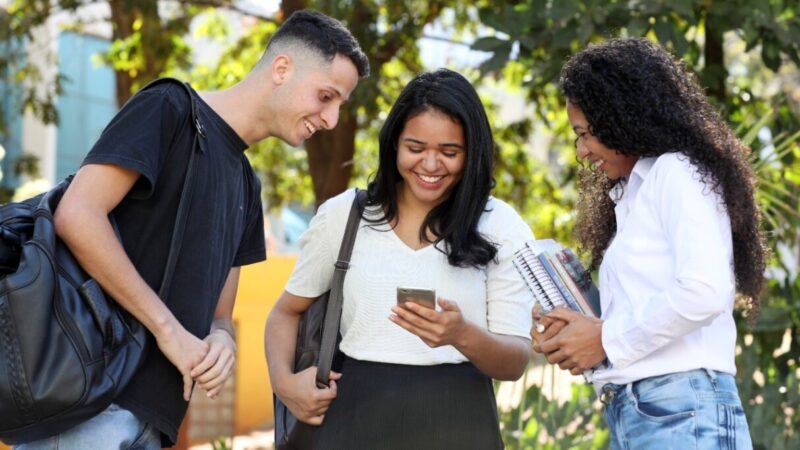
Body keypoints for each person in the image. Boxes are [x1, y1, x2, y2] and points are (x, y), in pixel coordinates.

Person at [16, 10, 369, 450]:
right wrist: (170, 332)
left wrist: (222, 341)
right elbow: (78, 213)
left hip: (155, 419)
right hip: (87, 407)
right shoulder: (170, 108)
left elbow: (220, 314)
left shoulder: (246, 184)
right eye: (326, 96)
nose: (332, 119)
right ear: (282, 68)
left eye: (339, 105)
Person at [265, 68, 533, 449]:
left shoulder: (500, 224)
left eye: (449, 152)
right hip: (353, 419)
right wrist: (286, 384)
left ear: (472, 153)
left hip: (460, 423)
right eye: (416, 148)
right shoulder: (345, 215)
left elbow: (515, 361)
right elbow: (285, 312)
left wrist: (460, 334)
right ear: (394, 145)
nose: (429, 164)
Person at [531, 37, 764, 449]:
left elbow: (704, 291)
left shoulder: (677, 172)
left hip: (682, 409)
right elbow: (645, 306)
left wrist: (604, 338)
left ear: (624, 118)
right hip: (644, 411)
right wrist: (574, 326)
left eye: (587, 134)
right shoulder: (633, 193)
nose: (582, 151)